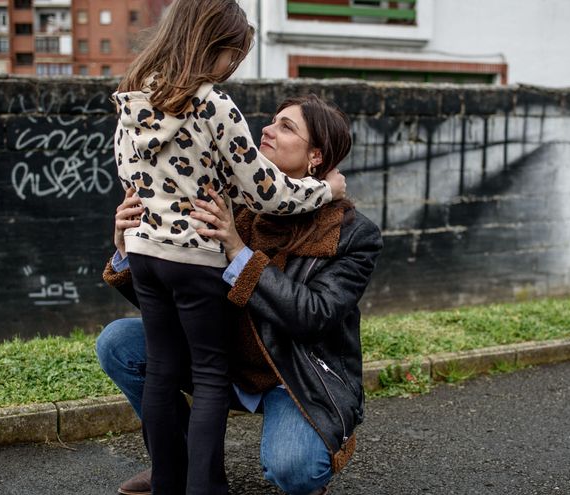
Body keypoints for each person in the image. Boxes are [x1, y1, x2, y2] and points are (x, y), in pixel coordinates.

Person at [111, 1, 345, 493]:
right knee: (210, 376)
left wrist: (139, 227)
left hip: (148, 250)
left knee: (163, 373)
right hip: (194, 257)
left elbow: (125, 171)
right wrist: (328, 190)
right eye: (233, 56)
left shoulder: (134, 96)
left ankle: (168, 482)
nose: (233, 67)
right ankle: (205, 488)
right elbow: (268, 192)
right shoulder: (213, 104)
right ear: (212, 45)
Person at [99, 94, 383, 495]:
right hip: (222, 362)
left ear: (316, 156)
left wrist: (238, 252)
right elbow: (179, 299)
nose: (266, 129)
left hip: (294, 378)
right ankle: (176, 462)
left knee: (295, 470)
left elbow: (313, 316)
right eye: (271, 121)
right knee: (118, 344)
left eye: (287, 127)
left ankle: (322, 435)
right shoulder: (233, 200)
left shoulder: (352, 234)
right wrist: (130, 249)